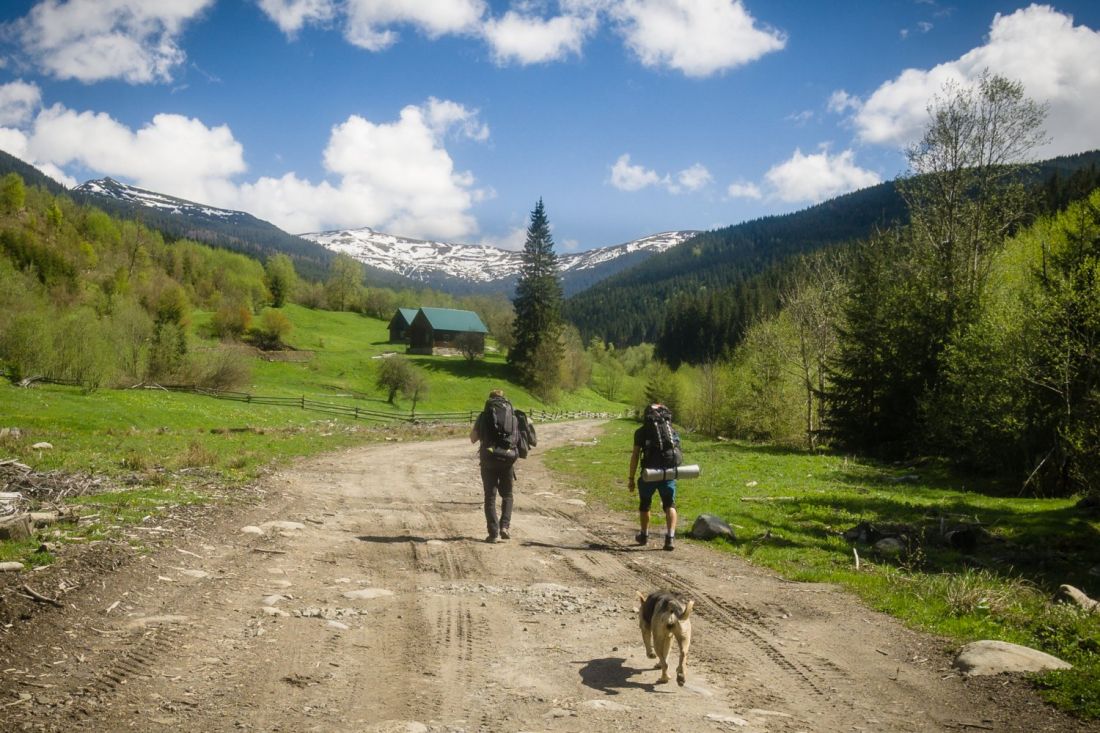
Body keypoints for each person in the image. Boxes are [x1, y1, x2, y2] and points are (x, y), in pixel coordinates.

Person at [627, 404, 679, 551]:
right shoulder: (671, 431)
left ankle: (644, 535)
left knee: (645, 504)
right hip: (668, 473)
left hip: (649, 474)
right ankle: (670, 538)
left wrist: (631, 478)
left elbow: (635, 455)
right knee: (670, 505)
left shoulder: (641, 432)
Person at [470, 388, 517, 543]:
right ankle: (505, 527)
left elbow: (473, 438)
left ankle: (493, 533)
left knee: (490, 496)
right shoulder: (512, 416)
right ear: (505, 401)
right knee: (508, 495)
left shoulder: (484, 416)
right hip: (508, 459)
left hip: (489, 459)